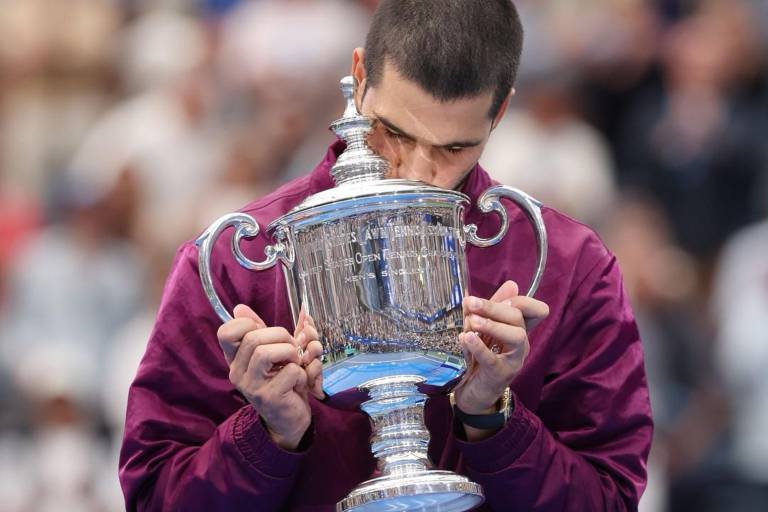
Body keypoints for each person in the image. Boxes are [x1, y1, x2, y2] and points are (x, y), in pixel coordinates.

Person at [119, 1, 653, 510]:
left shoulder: (570, 269)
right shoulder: (237, 264)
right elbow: (152, 498)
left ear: (501, 112)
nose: (417, 171)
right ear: (360, 75)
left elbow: (610, 498)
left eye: (454, 148)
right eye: (392, 132)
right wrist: (267, 435)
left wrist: (492, 419)